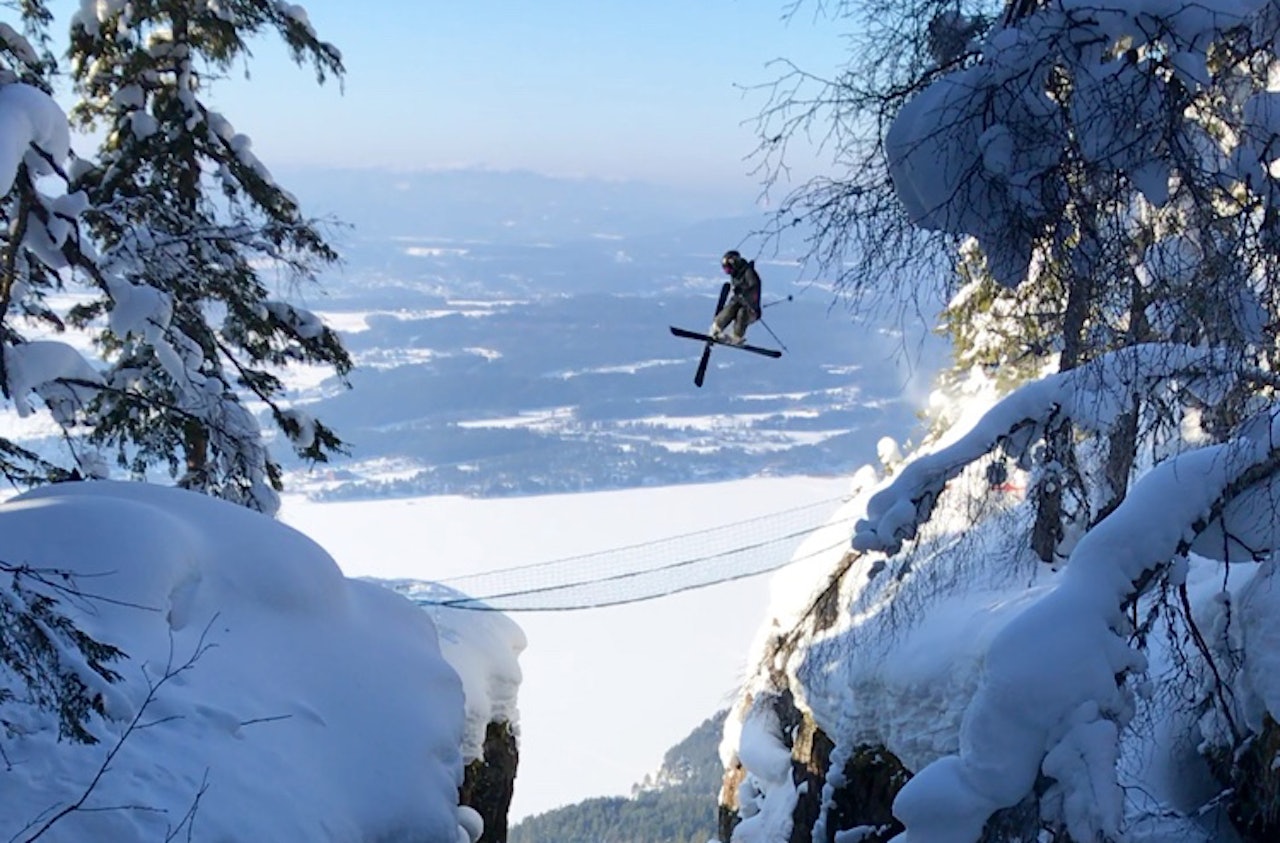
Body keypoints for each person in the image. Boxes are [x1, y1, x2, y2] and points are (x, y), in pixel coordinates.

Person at [710, 250, 762, 345]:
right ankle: (717, 327)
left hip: (751, 309)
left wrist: (743, 293)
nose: (728, 272)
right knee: (731, 307)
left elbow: (754, 288)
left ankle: (737, 336)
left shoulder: (748, 273)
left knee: (742, 313)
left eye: (729, 269)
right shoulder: (736, 275)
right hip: (738, 303)